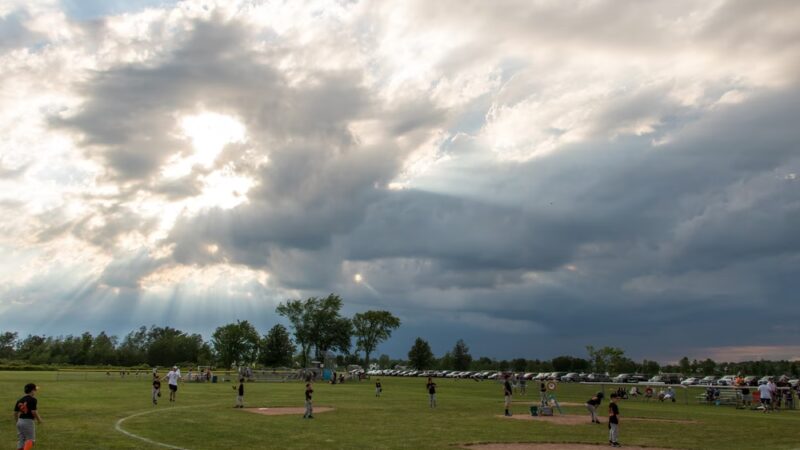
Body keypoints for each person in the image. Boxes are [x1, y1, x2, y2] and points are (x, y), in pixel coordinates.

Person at [14, 383, 42, 450]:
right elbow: (33, 412)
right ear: (32, 391)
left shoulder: (20, 400)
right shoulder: (33, 399)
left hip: (20, 421)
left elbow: (15, 413)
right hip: (28, 421)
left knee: (21, 440)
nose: (35, 392)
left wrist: (17, 421)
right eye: (35, 390)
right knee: (30, 440)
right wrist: (39, 420)